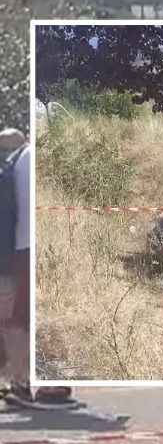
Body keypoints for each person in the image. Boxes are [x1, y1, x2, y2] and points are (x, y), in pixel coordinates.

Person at [0, 127, 77, 410]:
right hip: (32, 248)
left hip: (21, 248)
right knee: (32, 316)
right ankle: (39, 385)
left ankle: (22, 382)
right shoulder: (31, 158)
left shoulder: (20, 158)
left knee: (21, 316)